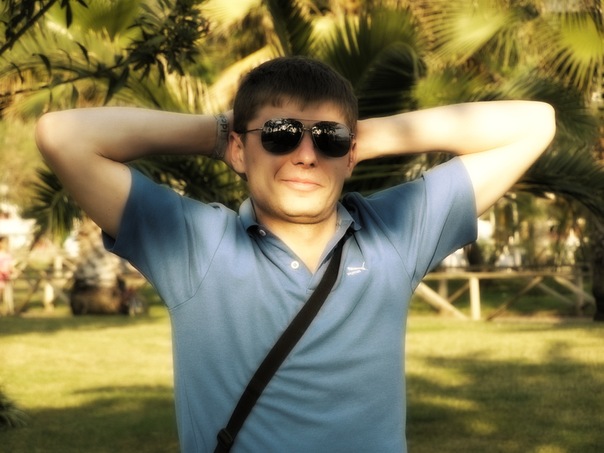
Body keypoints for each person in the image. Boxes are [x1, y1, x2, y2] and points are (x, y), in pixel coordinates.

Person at [35, 56, 556, 452]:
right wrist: (220, 133)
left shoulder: (394, 234)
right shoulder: (195, 243)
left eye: (328, 139)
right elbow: (62, 135)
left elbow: (535, 123)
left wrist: (365, 138)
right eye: (280, 135)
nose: (306, 155)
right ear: (239, 150)